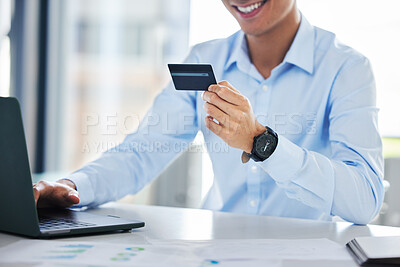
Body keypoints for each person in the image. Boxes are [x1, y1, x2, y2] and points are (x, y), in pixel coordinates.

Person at [33, 0, 384, 225]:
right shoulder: (203, 59)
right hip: (220, 250)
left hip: (312, 254)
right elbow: (142, 152)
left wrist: (261, 142)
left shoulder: (346, 68)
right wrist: (71, 186)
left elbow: (364, 200)